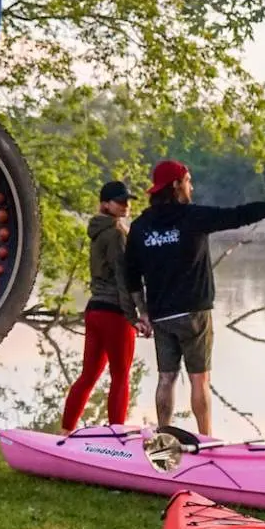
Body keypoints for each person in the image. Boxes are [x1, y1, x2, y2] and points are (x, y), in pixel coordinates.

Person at [123, 160, 265, 437]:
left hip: (162, 314)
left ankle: (163, 437)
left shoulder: (141, 226)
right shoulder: (192, 216)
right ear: (176, 185)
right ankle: (206, 439)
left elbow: (130, 275)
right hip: (194, 313)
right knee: (199, 379)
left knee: (166, 378)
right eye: (188, 180)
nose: (192, 185)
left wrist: (142, 311)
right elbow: (240, 215)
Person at [60, 179, 149, 432]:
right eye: (120, 201)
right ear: (105, 204)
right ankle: (117, 436)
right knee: (120, 377)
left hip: (94, 310)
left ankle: (65, 432)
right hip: (114, 314)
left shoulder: (97, 231)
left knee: (88, 376)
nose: (126, 205)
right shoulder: (116, 234)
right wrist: (135, 316)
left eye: (127, 200)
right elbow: (125, 278)